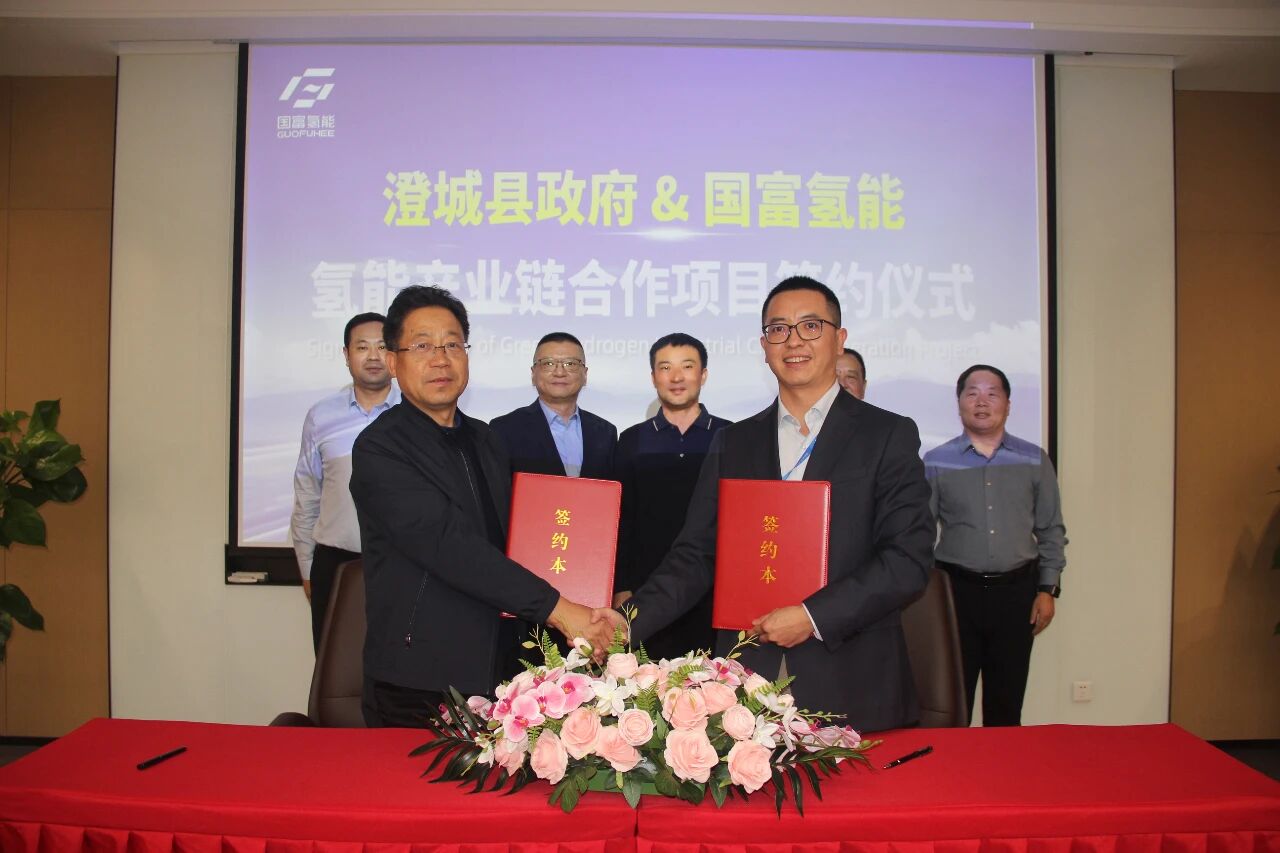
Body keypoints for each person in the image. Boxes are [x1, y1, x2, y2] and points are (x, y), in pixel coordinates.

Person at [597, 276, 935, 733]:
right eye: (778, 329)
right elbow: (696, 555)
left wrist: (813, 617)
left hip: (851, 679)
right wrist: (626, 623)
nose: (793, 340)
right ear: (764, 345)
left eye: (810, 326)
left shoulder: (887, 434)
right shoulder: (734, 442)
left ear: (839, 339)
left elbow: (907, 559)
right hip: (745, 683)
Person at [350, 286, 611, 728]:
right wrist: (562, 609)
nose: (441, 359)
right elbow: (449, 545)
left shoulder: (487, 439)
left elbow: (518, 540)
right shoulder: (380, 449)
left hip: (499, 672)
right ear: (393, 362)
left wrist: (582, 596)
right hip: (419, 681)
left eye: (453, 345)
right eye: (422, 346)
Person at [923, 364, 1066, 727]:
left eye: (992, 393)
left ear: (1008, 404)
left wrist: (1047, 589)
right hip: (956, 594)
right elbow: (921, 534)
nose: (982, 402)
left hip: (1017, 594)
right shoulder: (936, 461)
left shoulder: (1034, 459)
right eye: (972, 393)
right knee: (953, 704)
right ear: (959, 403)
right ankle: (954, 766)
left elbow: (1051, 529)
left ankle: (1003, 765)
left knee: (1006, 704)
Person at [612, 333, 731, 660]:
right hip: (647, 592)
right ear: (653, 377)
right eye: (665, 368)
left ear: (703, 375)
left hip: (714, 589)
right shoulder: (632, 440)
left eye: (687, 367)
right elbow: (622, 519)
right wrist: (622, 585)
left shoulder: (731, 436)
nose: (676, 377)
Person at [290, 312, 400, 652]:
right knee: (335, 666)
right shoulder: (321, 416)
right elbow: (307, 495)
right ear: (346, 354)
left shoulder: (414, 413)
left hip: (400, 563)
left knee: (399, 667)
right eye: (362, 347)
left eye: (382, 346)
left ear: (395, 354)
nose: (373, 356)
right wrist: (307, 569)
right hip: (335, 564)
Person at [489, 332, 617, 480]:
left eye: (570, 364)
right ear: (533, 374)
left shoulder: (606, 433)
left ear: (585, 374)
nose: (560, 372)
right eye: (548, 364)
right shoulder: (504, 429)